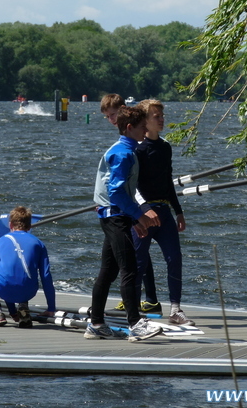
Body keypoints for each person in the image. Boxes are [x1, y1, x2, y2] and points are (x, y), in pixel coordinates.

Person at [86, 106, 162, 342]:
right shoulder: (124, 153)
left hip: (115, 215)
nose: (145, 130)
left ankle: (96, 324)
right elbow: (117, 192)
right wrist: (139, 216)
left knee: (108, 271)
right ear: (129, 128)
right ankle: (135, 324)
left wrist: (133, 217)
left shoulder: (126, 149)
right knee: (129, 269)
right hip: (114, 216)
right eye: (142, 127)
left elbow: (121, 191)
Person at [133, 99, 194, 326]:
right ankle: (133, 310)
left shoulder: (165, 147)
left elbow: (168, 182)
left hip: (164, 212)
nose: (161, 119)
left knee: (174, 258)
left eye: (162, 115)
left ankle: (175, 309)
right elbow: (133, 186)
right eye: (156, 116)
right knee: (138, 263)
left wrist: (178, 211)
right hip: (143, 214)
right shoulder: (137, 149)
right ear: (145, 122)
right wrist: (142, 211)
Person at [99, 93, 159, 314]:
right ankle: (101, 318)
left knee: (133, 262)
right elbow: (118, 186)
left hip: (128, 207)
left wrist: (141, 211)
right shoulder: (122, 148)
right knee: (118, 266)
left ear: (123, 111)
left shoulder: (131, 146)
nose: (111, 120)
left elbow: (133, 185)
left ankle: (147, 300)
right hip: (120, 209)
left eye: (113, 115)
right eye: (107, 117)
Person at [0, 206, 56, 328]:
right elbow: (46, 276)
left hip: (4, 290)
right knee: (25, 270)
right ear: (30, 227)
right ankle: (23, 308)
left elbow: (4, 274)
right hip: (29, 292)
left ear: (10, 225)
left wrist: (12, 312)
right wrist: (51, 308)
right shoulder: (39, 243)